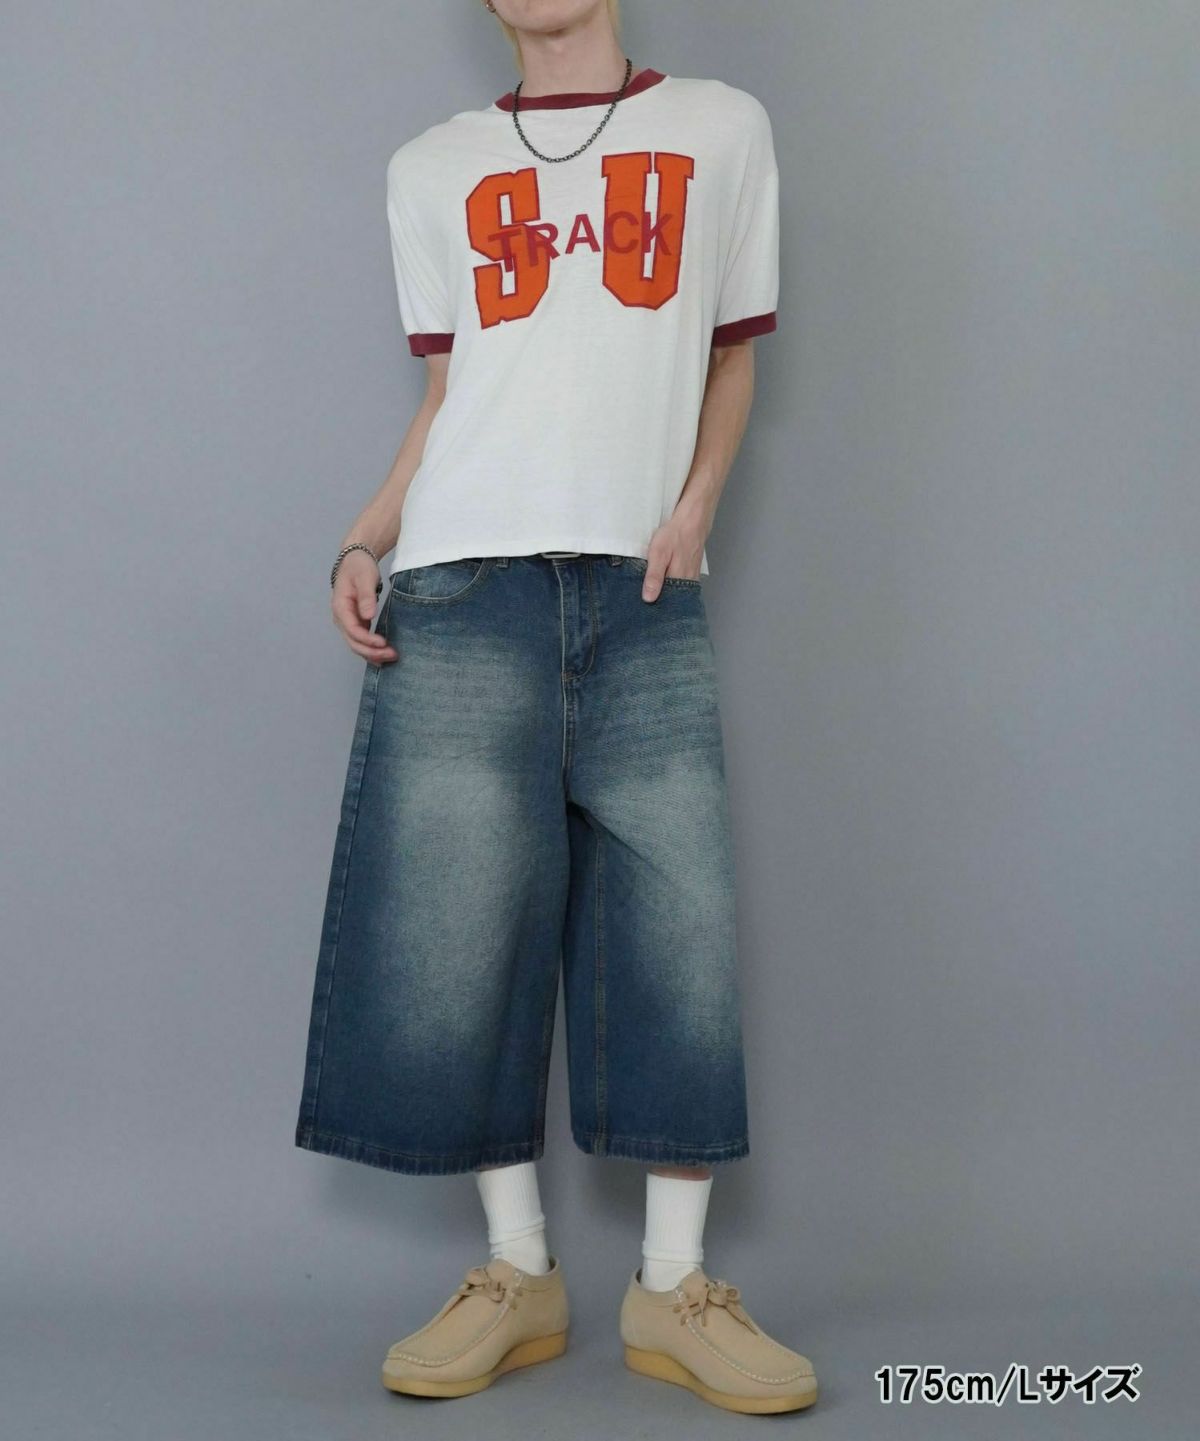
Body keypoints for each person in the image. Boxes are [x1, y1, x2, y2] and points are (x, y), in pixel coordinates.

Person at [293, 0, 816, 1415]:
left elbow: (732, 354)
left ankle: (674, 1287)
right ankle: (516, 1272)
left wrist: (697, 510)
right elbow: (451, 396)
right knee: (461, 920)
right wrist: (365, 537)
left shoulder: (720, 130)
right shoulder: (430, 167)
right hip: (460, 581)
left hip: (641, 581)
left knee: (677, 922)